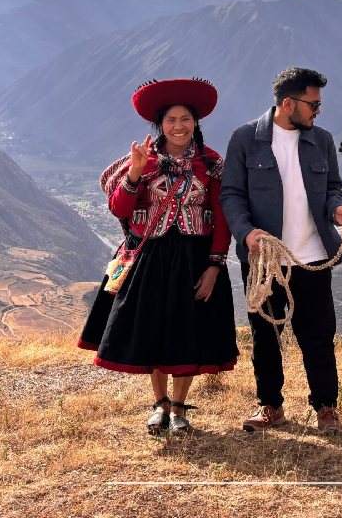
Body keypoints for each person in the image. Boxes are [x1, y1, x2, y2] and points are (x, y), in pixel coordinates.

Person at [79, 78, 239, 435]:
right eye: (171, 120)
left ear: (195, 122)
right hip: (150, 257)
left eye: (186, 119)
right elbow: (119, 208)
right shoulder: (143, 160)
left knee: (187, 330)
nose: (179, 126)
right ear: (160, 124)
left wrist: (214, 266)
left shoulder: (211, 164)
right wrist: (136, 172)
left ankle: (179, 408)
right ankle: (160, 404)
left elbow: (222, 218)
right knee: (153, 328)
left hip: (194, 258)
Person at [220, 66, 342, 434]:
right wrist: (246, 232)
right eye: (313, 104)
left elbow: (332, 187)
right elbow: (231, 194)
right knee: (265, 337)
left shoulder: (322, 140)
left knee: (318, 337)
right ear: (288, 104)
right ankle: (270, 407)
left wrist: (336, 210)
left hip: (313, 259)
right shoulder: (245, 139)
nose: (318, 111)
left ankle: (325, 408)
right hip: (264, 261)